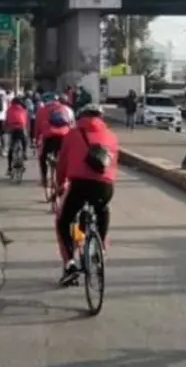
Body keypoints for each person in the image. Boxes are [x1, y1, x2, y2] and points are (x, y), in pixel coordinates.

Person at [54, 104, 118, 285]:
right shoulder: (112, 137)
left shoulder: (72, 135)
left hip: (79, 185)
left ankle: (70, 264)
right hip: (105, 186)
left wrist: (60, 185)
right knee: (103, 208)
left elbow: (62, 164)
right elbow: (113, 165)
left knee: (63, 221)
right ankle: (101, 247)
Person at [34, 92, 71, 187]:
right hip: (64, 136)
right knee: (64, 157)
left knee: (43, 157)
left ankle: (44, 179)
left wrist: (36, 138)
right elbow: (69, 123)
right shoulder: (64, 109)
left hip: (49, 136)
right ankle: (65, 179)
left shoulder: (41, 110)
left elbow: (37, 127)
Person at [5, 96, 29, 176]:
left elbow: (7, 121)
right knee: (25, 140)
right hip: (21, 128)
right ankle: (25, 152)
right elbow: (26, 121)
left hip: (12, 129)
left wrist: (5, 128)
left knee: (11, 148)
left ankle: (9, 168)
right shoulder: (23, 110)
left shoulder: (9, 109)